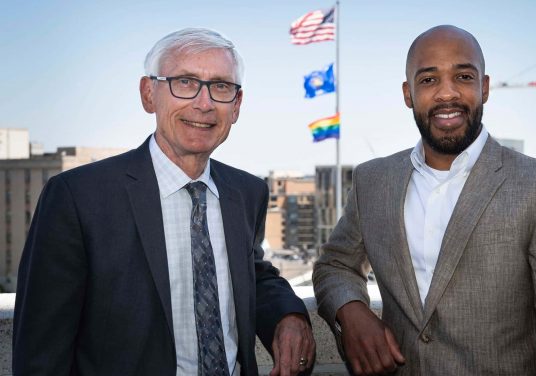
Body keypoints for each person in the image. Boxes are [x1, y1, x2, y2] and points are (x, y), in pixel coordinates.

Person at [13, 28, 315, 376]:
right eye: (184, 82)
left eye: (220, 86)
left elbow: (251, 274)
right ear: (148, 94)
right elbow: (41, 351)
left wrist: (288, 315)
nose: (204, 103)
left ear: (236, 106)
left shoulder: (246, 192)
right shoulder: (77, 197)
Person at [313, 25, 536, 375]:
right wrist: (352, 311)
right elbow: (335, 265)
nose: (447, 94)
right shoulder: (372, 181)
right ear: (408, 94)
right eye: (428, 80)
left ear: (484, 87)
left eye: (464, 76)